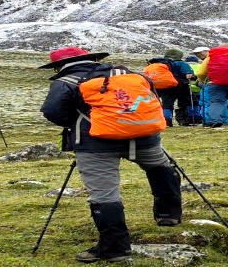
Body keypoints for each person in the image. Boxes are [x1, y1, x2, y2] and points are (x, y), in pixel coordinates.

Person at [38, 47, 184, 263]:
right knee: (160, 169)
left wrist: (80, 124)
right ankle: (168, 215)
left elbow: (53, 112)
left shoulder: (66, 82)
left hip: (95, 145)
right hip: (144, 136)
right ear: (95, 59)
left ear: (59, 66)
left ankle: (115, 249)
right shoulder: (131, 75)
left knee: (104, 194)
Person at [143, 50, 194, 127]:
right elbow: (188, 74)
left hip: (160, 86)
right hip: (178, 86)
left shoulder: (160, 64)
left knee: (166, 104)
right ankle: (189, 119)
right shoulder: (180, 63)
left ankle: (167, 122)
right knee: (184, 103)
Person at [183, 54, 205, 126]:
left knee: (189, 103)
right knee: (201, 103)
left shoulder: (184, 66)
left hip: (188, 88)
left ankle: (191, 117)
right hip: (199, 87)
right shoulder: (201, 66)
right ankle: (201, 117)